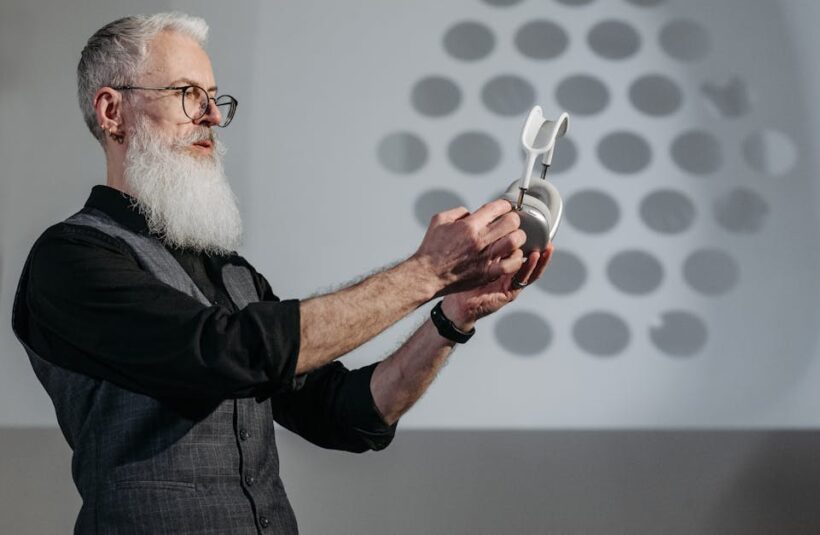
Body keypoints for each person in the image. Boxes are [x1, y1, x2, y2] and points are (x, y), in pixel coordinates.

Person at [10, 12, 553, 534]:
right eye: (188, 94)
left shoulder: (232, 273)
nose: (213, 116)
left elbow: (346, 414)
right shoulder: (70, 259)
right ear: (112, 112)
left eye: (214, 98)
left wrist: (452, 316)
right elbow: (223, 354)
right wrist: (426, 272)